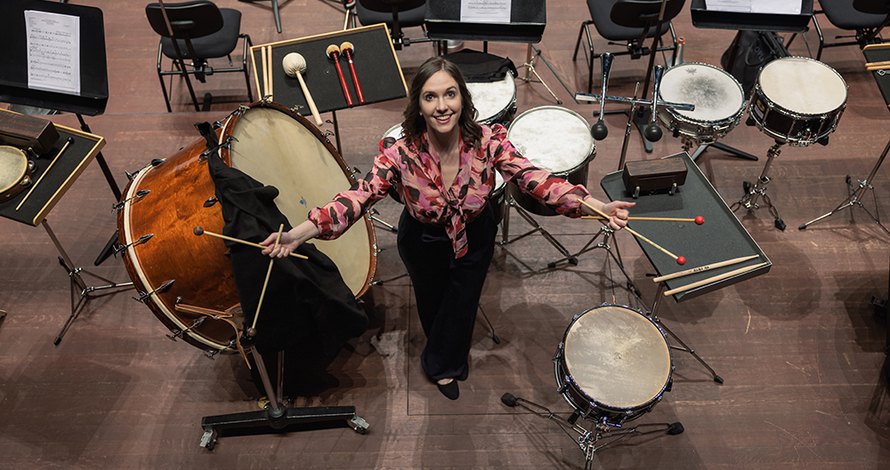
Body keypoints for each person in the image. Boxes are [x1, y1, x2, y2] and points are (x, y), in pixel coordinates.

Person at [261, 56, 634, 400]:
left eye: (450, 94)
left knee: (464, 300)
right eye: (431, 97)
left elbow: (534, 178)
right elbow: (358, 197)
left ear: (463, 98)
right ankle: (444, 357)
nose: (442, 106)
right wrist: (299, 233)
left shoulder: (489, 141)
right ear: (418, 105)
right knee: (433, 301)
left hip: (476, 232)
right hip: (423, 241)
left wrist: (596, 207)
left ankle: (442, 363)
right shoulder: (398, 152)